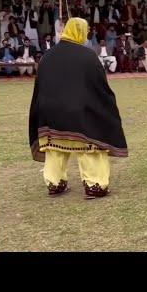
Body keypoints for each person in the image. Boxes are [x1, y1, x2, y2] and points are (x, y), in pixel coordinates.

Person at [29, 17, 128, 198]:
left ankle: (54, 183)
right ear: (81, 31)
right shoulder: (88, 56)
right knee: (90, 147)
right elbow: (99, 87)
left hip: (49, 111)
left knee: (54, 148)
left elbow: (40, 87)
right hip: (79, 113)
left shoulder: (48, 56)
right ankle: (95, 185)